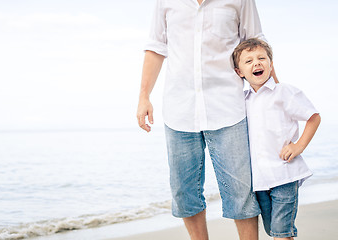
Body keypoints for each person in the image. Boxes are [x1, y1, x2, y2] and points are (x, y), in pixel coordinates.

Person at [137, 1, 274, 239]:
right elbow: (156, 47)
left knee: (240, 193)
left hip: (228, 107)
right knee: (184, 193)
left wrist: (275, 97)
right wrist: (143, 96)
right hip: (179, 110)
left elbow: (257, 44)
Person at [232, 38, 321, 240]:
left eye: (262, 58)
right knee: (273, 230)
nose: (256, 63)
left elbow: (314, 117)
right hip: (259, 181)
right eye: (249, 61)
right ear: (239, 72)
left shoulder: (284, 92)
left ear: (271, 65)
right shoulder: (241, 100)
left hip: (284, 175)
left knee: (281, 233)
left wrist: (299, 146)